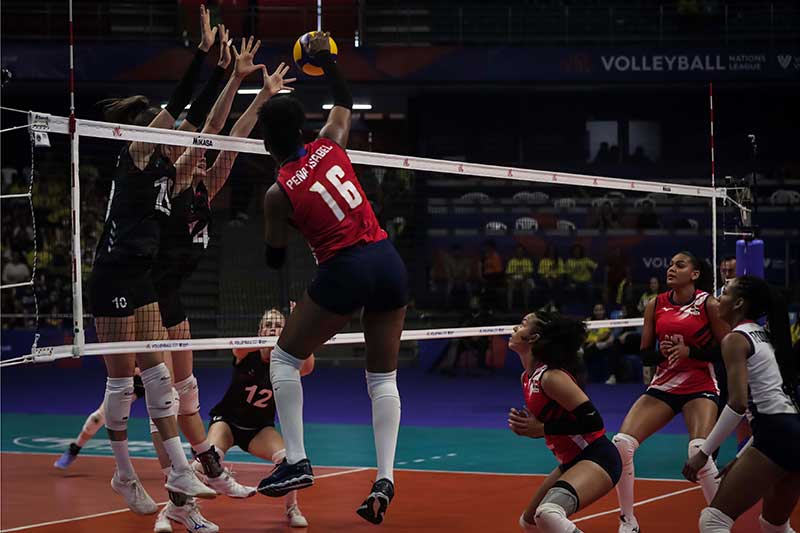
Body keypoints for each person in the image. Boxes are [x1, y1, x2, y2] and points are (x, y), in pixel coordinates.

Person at [256, 31, 408, 525]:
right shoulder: (330, 145)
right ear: (304, 128)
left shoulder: (277, 193)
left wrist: (289, 229)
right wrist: (328, 61)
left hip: (343, 268)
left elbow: (275, 258)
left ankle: (296, 460)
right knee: (382, 377)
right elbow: (342, 102)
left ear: (266, 141)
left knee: (283, 360)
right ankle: (385, 477)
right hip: (386, 259)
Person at [87, 5, 221, 515]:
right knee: (122, 384)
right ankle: (124, 475)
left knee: (159, 378)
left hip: (143, 277)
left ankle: (181, 475)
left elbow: (201, 121)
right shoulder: (138, 152)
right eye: (169, 127)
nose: (176, 130)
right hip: (113, 276)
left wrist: (226, 72)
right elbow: (183, 102)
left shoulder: (169, 166)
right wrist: (203, 54)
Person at [612, 251, 730, 533]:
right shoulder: (656, 304)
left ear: (695, 273)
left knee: (697, 450)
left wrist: (692, 351)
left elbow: (728, 349)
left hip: (700, 385)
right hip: (664, 385)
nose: (671, 268)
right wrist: (661, 355)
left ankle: (720, 522)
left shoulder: (708, 304)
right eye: (669, 264)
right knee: (621, 443)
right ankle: (628, 521)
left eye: (679, 265)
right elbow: (644, 355)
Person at [683, 276, 800, 533]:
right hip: (790, 433)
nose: (717, 300)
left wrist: (703, 453)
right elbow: (777, 408)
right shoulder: (765, 335)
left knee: (713, 520)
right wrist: (741, 457)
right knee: (774, 526)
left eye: (723, 293)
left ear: (738, 303)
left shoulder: (735, 339)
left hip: (775, 436)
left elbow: (737, 404)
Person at [508, 311, 622, 533]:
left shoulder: (551, 377)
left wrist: (542, 428)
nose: (514, 329)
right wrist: (530, 426)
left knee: (548, 513)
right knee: (529, 522)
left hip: (596, 457)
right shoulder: (527, 378)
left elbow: (594, 422)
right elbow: (557, 420)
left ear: (533, 338)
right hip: (570, 461)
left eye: (522, 324)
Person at [202, 306, 314, 528]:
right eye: (268, 326)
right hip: (227, 422)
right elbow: (237, 350)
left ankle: (292, 509)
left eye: (278, 326)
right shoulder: (247, 351)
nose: (273, 330)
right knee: (206, 461)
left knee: (289, 458)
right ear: (260, 330)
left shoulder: (287, 363)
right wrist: (267, 341)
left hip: (259, 430)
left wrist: (299, 328)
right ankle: (177, 509)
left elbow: (308, 367)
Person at [506, 244, 534, 311]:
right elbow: (508, 274)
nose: (519, 253)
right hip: (514, 280)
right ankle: (509, 308)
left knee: (527, 286)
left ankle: (526, 308)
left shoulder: (527, 261)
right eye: (518, 251)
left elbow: (530, 273)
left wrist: (523, 278)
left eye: (521, 251)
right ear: (515, 252)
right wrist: (515, 279)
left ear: (523, 252)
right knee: (510, 286)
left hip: (525, 280)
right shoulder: (512, 261)